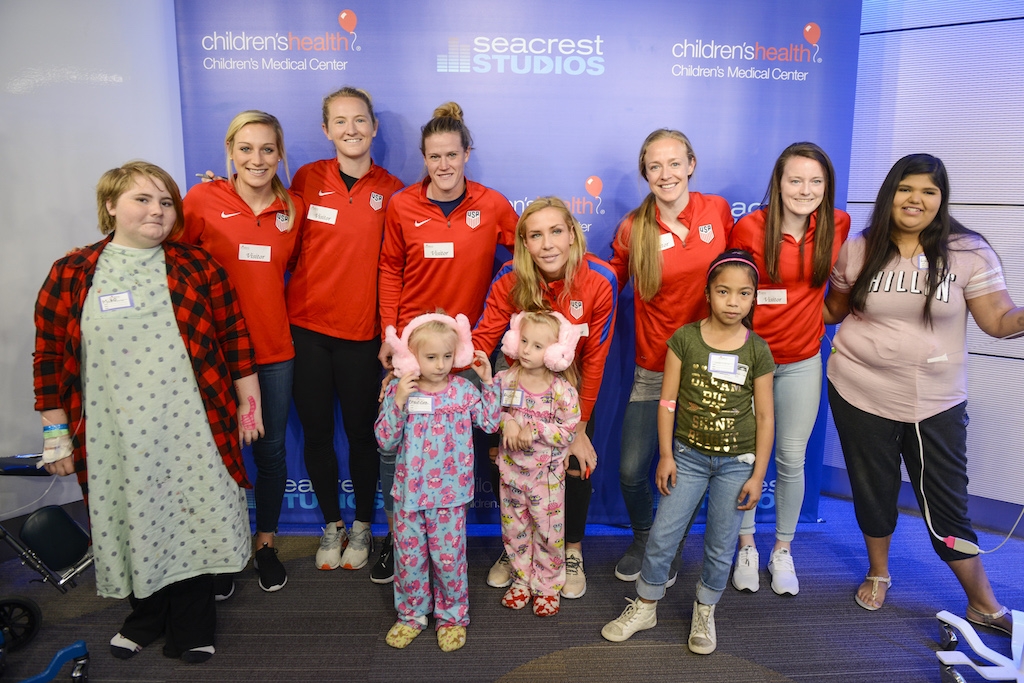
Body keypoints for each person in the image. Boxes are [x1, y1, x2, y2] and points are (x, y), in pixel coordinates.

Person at [34, 161, 260, 663]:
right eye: (143, 199)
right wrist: (55, 436)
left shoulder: (196, 267)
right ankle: (145, 616)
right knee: (132, 517)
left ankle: (193, 623)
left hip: (193, 426)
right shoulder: (73, 273)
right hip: (115, 433)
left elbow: (234, 338)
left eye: (166, 202)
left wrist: (249, 405)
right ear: (110, 206)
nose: (157, 210)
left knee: (192, 518)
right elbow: (50, 356)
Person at [823, 154, 1022, 634]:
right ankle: (879, 570)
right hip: (857, 388)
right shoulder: (860, 248)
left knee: (946, 504)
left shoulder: (968, 251)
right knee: (873, 487)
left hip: (936, 401)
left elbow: (998, 321)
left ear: (941, 199)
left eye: (928, 192)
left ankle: (982, 602)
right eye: (906, 189)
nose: (915, 200)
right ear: (890, 193)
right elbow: (833, 310)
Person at [601, 249, 774, 654]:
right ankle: (645, 606)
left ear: (753, 298)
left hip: (737, 463)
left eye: (744, 294)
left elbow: (765, 417)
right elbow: (667, 402)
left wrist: (758, 473)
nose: (733, 302)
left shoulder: (757, 350)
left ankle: (705, 610)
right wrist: (666, 454)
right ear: (708, 293)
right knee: (662, 535)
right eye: (724, 292)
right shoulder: (685, 339)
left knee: (720, 541)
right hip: (689, 457)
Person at [376, 101, 517, 582]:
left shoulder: (492, 204)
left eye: (452, 155)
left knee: (490, 442)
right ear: (423, 158)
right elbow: (390, 270)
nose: (443, 165)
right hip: (416, 350)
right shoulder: (401, 204)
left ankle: (511, 546)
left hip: (470, 347)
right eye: (434, 157)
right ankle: (400, 541)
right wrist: (389, 336)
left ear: (466, 154)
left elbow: (529, 255)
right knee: (396, 444)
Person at [183, 110, 304, 592]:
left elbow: (287, 270)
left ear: (280, 154)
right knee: (217, 453)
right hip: (212, 354)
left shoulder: (291, 209)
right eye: (247, 149)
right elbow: (176, 265)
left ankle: (265, 544)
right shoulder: (201, 199)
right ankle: (220, 550)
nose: (257, 159)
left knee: (271, 453)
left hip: (273, 351)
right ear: (230, 152)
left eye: (268, 149)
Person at [473, 196, 617, 599]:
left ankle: (570, 551)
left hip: (571, 385)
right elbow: (484, 339)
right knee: (510, 457)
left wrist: (578, 429)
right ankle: (516, 548)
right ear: (524, 243)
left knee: (575, 459)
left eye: (556, 231)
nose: (548, 243)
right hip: (517, 382)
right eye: (536, 235)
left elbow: (596, 358)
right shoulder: (509, 276)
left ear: (572, 234)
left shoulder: (600, 278)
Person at [287, 87, 404, 576]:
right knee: (317, 435)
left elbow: (396, 266)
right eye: (340, 121)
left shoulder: (395, 189)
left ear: (374, 127)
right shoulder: (305, 178)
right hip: (307, 330)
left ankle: (362, 526)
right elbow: (270, 225)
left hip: (362, 337)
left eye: (360, 120)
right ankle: (331, 524)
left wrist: (388, 334)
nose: (351, 129)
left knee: (362, 436)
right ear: (326, 130)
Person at [609, 129, 735, 583]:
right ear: (646, 173)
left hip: (711, 370)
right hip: (654, 367)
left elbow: (741, 276)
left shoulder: (717, 211)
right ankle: (645, 536)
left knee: (690, 473)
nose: (667, 174)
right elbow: (606, 286)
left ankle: (671, 544)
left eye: (675, 163)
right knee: (629, 470)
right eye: (656, 166)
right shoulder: (633, 228)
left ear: (691, 164)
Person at [726, 142, 851, 595]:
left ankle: (782, 549)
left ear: (827, 186)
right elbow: (733, 292)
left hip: (802, 360)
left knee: (791, 458)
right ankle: (745, 545)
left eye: (815, 181)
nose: (805, 189)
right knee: (744, 457)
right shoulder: (751, 227)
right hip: (751, 361)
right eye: (795, 180)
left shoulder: (838, 224)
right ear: (778, 183)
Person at [374, 313, 500, 652]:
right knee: (409, 560)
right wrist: (398, 401)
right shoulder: (402, 391)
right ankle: (411, 615)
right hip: (409, 495)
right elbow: (385, 440)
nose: (441, 365)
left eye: (447, 356)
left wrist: (488, 382)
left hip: (449, 495)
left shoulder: (463, 390)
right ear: (412, 356)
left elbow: (489, 424)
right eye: (431, 357)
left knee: (449, 560)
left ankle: (453, 617)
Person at [494, 311, 581, 616]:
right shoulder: (504, 380)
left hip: (546, 480)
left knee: (548, 534)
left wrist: (537, 429)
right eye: (524, 342)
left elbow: (569, 429)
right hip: (511, 476)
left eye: (538, 346)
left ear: (557, 354)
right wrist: (510, 424)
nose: (527, 350)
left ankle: (547, 586)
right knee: (514, 531)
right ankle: (521, 581)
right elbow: (491, 413)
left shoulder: (563, 391)